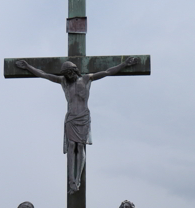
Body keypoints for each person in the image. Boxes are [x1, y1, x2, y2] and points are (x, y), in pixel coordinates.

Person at [15, 57, 138, 193]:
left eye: (71, 72)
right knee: (71, 145)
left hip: (83, 116)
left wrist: (125, 64)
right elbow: (44, 74)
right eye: (66, 73)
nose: (69, 75)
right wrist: (27, 67)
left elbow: (107, 72)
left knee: (80, 146)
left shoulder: (86, 79)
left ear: (75, 70)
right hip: (71, 118)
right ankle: (71, 181)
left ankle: (77, 179)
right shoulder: (63, 82)